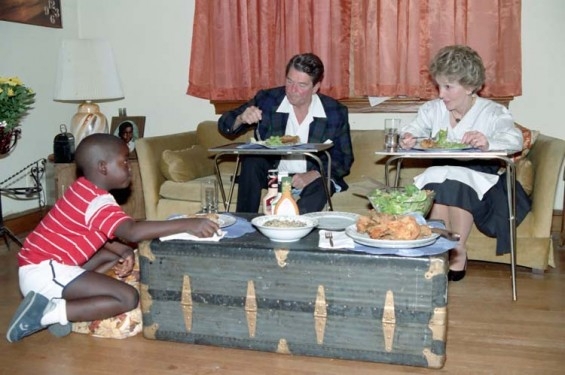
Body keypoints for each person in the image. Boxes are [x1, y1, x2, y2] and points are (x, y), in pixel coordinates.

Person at [6, 133, 219, 343]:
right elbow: (132, 231)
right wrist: (189, 224)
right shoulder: (97, 201)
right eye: (124, 161)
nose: (129, 167)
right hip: (44, 272)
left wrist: (123, 250)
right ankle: (49, 313)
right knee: (127, 297)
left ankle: (61, 302)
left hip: (44, 268)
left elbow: (100, 232)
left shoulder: (83, 189)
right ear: (103, 167)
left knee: (111, 258)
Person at [399, 45, 531, 281]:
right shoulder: (432, 110)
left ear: (470, 86)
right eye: (439, 86)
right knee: (439, 180)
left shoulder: (492, 112)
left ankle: (457, 250)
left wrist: (487, 141)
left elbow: (515, 140)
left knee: (452, 182)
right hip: (442, 172)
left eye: (448, 87)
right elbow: (413, 128)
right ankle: (441, 251)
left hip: (482, 178)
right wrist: (408, 137)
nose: (441, 94)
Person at [218, 52, 353, 214]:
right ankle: (244, 223)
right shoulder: (268, 100)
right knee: (252, 159)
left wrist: (313, 174)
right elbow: (224, 125)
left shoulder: (334, 111)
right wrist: (241, 118)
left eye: (302, 85)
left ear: (316, 87)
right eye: (289, 81)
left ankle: (298, 225)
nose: (292, 90)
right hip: (273, 174)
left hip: (311, 177)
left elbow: (344, 158)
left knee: (322, 184)